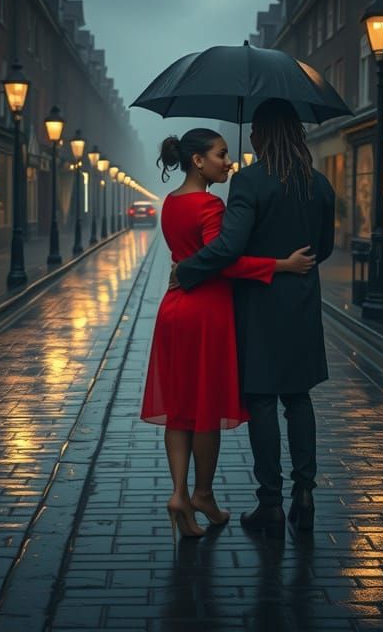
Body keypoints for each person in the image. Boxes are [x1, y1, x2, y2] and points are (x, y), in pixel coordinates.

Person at [141, 128, 316, 541]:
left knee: (181, 406)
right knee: (205, 408)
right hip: (206, 311)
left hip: (173, 310)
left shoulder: (171, 203)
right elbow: (225, 261)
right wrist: (282, 265)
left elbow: (193, 256)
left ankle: (179, 495)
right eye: (221, 155)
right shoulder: (210, 204)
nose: (229, 162)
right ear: (198, 161)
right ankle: (202, 494)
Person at [174, 99, 335, 538]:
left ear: (260, 134)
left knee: (263, 401)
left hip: (260, 307)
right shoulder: (319, 184)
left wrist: (187, 270)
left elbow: (228, 248)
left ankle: (271, 505)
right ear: (298, 134)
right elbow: (325, 247)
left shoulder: (251, 182)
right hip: (302, 304)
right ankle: (305, 495)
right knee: (299, 400)